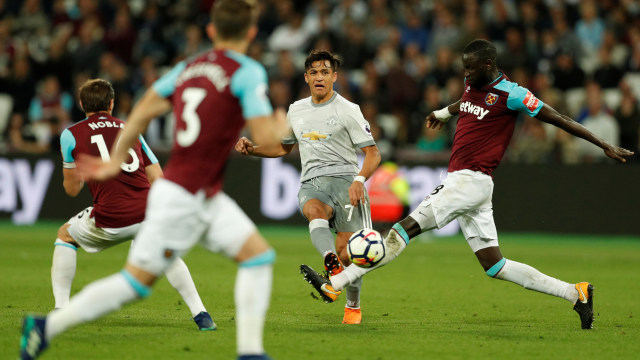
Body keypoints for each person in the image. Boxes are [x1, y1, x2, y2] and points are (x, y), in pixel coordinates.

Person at [302, 39, 634, 330]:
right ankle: (575, 292)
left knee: (400, 232)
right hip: (472, 186)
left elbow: (559, 118)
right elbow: (468, 103)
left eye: (470, 69)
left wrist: (603, 143)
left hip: (469, 180)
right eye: (463, 69)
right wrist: (444, 112)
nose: (465, 75)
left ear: (488, 65)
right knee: (495, 265)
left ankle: (336, 284)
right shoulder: (473, 85)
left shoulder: (513, 94)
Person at [19, 1, 288, 359]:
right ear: (252, 33)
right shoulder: (248, 70)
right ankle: (47, 326)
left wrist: (114, 161)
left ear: (211, 31)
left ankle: (251, 353)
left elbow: (145, 107)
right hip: (184, 195)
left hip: (194, 192)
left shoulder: (188, 67)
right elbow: (264, 136)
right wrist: (282, 126)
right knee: (136, 283)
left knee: (256, 258)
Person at [52, 78, 215, 331]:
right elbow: (158, 177)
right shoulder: (131, 128)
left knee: (65, 236)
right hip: (147, 211)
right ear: (112, 103)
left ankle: (60, 310)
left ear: (81, 103)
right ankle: (202, 315)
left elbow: (72, 190)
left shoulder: (70, 134)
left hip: (110, 217)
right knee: (166, 253)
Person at [235, 49, 381, 324]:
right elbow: (283, 147)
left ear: (334, 77)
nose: (319, 77)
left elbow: (373, 153)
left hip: (346, 182)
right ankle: (330, 262)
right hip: (312, 181)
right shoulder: (296, 109)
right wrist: (253, 149)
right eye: (314, 72)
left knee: (347, 253)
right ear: (306, 77)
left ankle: (352, 304)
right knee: (314, 211)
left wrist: (360, 181)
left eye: (325, 72)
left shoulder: (348, 110)